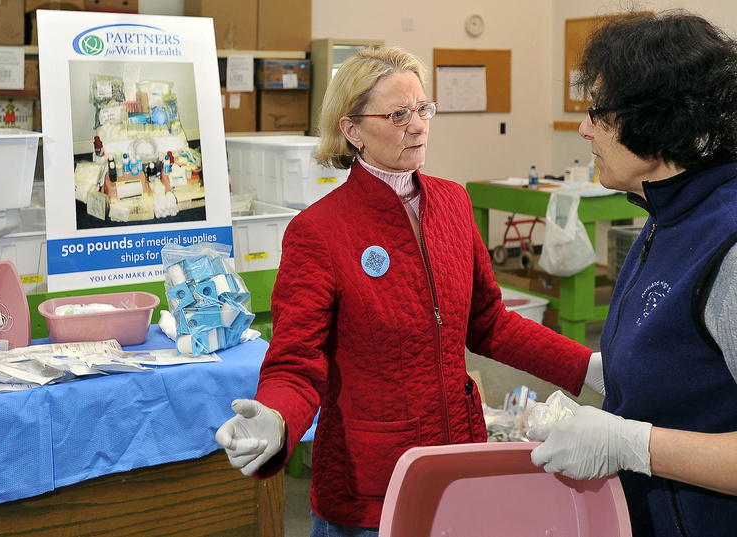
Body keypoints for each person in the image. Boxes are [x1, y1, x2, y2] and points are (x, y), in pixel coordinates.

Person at [216, 45, 600, 535]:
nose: (418, 125)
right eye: (398, 115)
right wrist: (278, 417)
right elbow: (296, 362)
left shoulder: (453, 202)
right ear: (351, 130)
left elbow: (489, 323)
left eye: (423, 109)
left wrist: (585, 364)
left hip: (457, 463)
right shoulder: (319, 231)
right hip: (371, 487)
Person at [526, 10, 737, 537]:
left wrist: (629, 443)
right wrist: (621, 369)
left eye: (597, 112)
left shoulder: (729, 242)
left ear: (658, 118)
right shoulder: (665, 211)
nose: (582, 128)